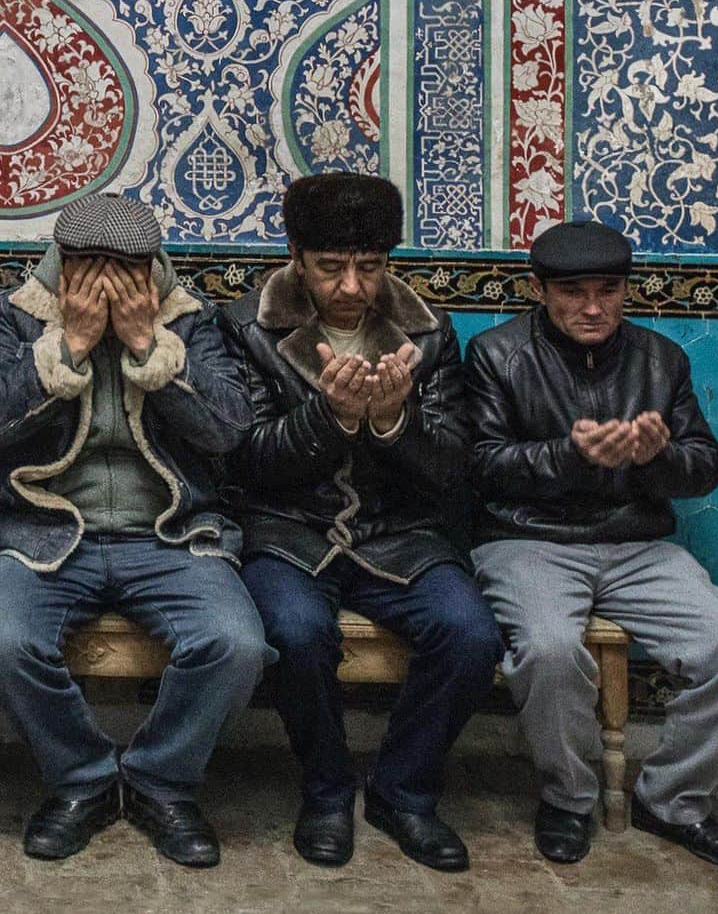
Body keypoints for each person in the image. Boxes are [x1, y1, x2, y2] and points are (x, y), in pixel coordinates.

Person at [465, 219, 718, 875]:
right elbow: (482, 467)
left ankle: (675, 802)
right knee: (549, 651)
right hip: (529, 540)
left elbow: (706, 466)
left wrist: (655, 457)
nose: (593, 307)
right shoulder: (497, 355)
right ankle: (570, 799)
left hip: (637, 545)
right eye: (574, 291)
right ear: (539, 290)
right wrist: (571, 455)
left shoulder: (661, 360)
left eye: (609, 289)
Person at [223, 173, 502, 873]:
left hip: (398, 536)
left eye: (370, 267)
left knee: (471, 634)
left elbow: (450, 469)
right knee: (295, 631)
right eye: (330, 268)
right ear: (295, 255)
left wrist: (393, 422)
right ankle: (325, 791)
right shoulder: (244, 327)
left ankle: (403, 791)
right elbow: (248, 461)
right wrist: (331, 417)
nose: (352, 286)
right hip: (287, 529)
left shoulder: (429, 336)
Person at [0, 192, 270, 868]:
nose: (108, 289)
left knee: (235, 644)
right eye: (89, 269)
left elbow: (230, 429)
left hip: (173, 536)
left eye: (126, 271)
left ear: (153, 270)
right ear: (62, 265)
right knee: (6, 640)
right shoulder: (16, 319)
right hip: (46, 531)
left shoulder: (195, 320)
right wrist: (67, 349)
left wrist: (153, 349)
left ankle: (160, 782)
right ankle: (84, 783)